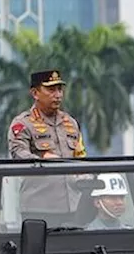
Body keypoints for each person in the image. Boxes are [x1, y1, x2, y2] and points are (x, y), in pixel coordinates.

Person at [7, 69, 86, 224]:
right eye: (51, 90)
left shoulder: (70, 122)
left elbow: (81, 156)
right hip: (39, 208)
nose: (58, 95)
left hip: (74, 206)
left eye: (59, 89)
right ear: (35, 93)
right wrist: (43, 159)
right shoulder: (23, 123)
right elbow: (18, 154)